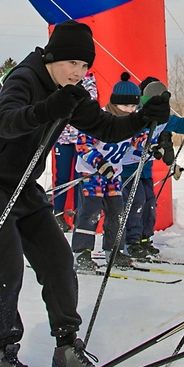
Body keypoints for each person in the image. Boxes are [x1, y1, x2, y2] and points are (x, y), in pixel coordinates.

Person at [0, 21, 169, 367]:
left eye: (85, 66)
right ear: (53, 57)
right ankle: (4, 357)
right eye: (72, 63)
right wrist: (47, 108)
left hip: (24, 186)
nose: (78, 72)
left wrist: (143, 119)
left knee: (58, 261)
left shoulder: (70, 90)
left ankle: (67, 350)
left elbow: (104, 127)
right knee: (6, 268)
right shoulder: (25, 77)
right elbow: (4, 122)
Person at [70, 75, 143, 272]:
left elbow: (140, 140)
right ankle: (81, 253)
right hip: (92, 175)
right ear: (116, 103)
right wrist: (100, 163)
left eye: (135, 107)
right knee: (90, 213)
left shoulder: (130, 122)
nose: (132, 111)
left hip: (113, 176)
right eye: (127, 107)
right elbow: (83, 145)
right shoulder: (99, 119)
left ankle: (115, 251)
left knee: (117, 213)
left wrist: (154, 147)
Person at [123, 76, 184, 259]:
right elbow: (132, 140)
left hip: (145, 168)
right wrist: (150, 147)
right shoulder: (139, 117)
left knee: (150, 202)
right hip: (129, 168)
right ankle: (131, 241)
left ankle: (144, 238)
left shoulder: (163, 119)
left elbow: (179, 124)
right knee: (137, 201)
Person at [50, 72, 98, 232]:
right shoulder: (60, 78)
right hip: (62, 138)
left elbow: (91, 104)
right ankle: (57, 213)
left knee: (81, 177)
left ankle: (80, 214)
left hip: (81, 138)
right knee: (62, 177)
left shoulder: (89, 81)